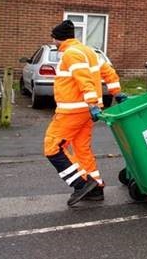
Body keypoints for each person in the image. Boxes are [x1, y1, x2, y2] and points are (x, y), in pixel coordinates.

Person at [43, 19, 114, 206]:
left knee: (52, 147)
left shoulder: (70, 54)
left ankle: (81, 184)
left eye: (53, 38)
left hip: (73, 111)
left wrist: (91, 102)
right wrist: (117, 92)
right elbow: (108, 72)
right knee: (81, 149)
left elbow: (83, 79)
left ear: (58, 39)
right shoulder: (89, 52)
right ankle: (96, 188)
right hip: (87, 112)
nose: (53, 41)